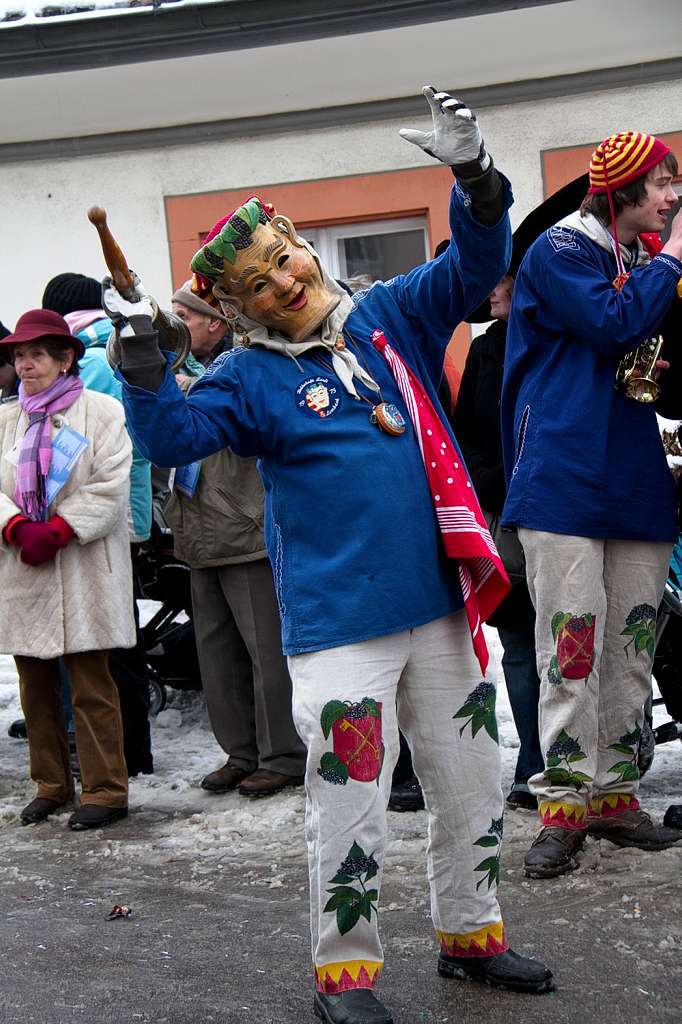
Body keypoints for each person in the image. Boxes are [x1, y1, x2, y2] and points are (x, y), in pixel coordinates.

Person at [108, 88, 554, 1024]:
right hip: (337, 624)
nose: (284, 286)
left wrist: (474, 178)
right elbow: (178, 438)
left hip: (436, 606)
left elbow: (479, 262)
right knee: (348, 802)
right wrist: (146, 366)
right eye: (257, 286)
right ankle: (343, 977)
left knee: (471, 781)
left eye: (285, 260)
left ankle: (472, 937)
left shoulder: (391, 314)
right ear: (234, 308)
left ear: (305, 244)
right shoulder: (246, 375)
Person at [500, 131, 682, 879]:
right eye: (664, 182)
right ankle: (563, 807)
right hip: (565, 478)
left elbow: (638, 349)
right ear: (623, 192)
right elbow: (613, 323)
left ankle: (614, 796)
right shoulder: (559, 250)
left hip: (634, 476)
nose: (674, 195)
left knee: (631, 645)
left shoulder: (637, 263)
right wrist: (672, 259)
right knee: (570, 648)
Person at [165, 283, 306, 797]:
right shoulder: (176, 374)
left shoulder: (244, 366)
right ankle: (240, 751)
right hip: (198, 531)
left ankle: (283, 754)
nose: (174, 323)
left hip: (245, 530)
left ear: (216, 323)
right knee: (216, 653)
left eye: (183, 315)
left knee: (265, 652)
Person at [0, 309, 134, 830]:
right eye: (18, 355)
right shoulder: (7, 419)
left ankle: (105, 789)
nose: (25, 364)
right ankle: (50, 784)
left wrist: (60, 529)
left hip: (81, 565)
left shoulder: (101, 411)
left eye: (35, 354)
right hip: (24, 568)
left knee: (90, 683)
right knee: (34, 686)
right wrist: (16, 528)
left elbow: (111, 482)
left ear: (65, 359)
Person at [41, 273, 154, 776]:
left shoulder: (82, 368)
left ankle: (109, 751)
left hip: (88, 519)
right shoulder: (115, 350)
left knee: (92, 638)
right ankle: (132, 751)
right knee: (117, 632)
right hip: (127, 510)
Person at [454, 274, 543, 811]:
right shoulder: (486, 348)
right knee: (518, 643)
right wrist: (490, 484)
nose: (490, 289)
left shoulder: (552, 335)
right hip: (503, 513)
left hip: (556, 510)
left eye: (501, 280)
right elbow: (467, 431)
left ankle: (578, 763)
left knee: (566, 643)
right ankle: (532, 766)